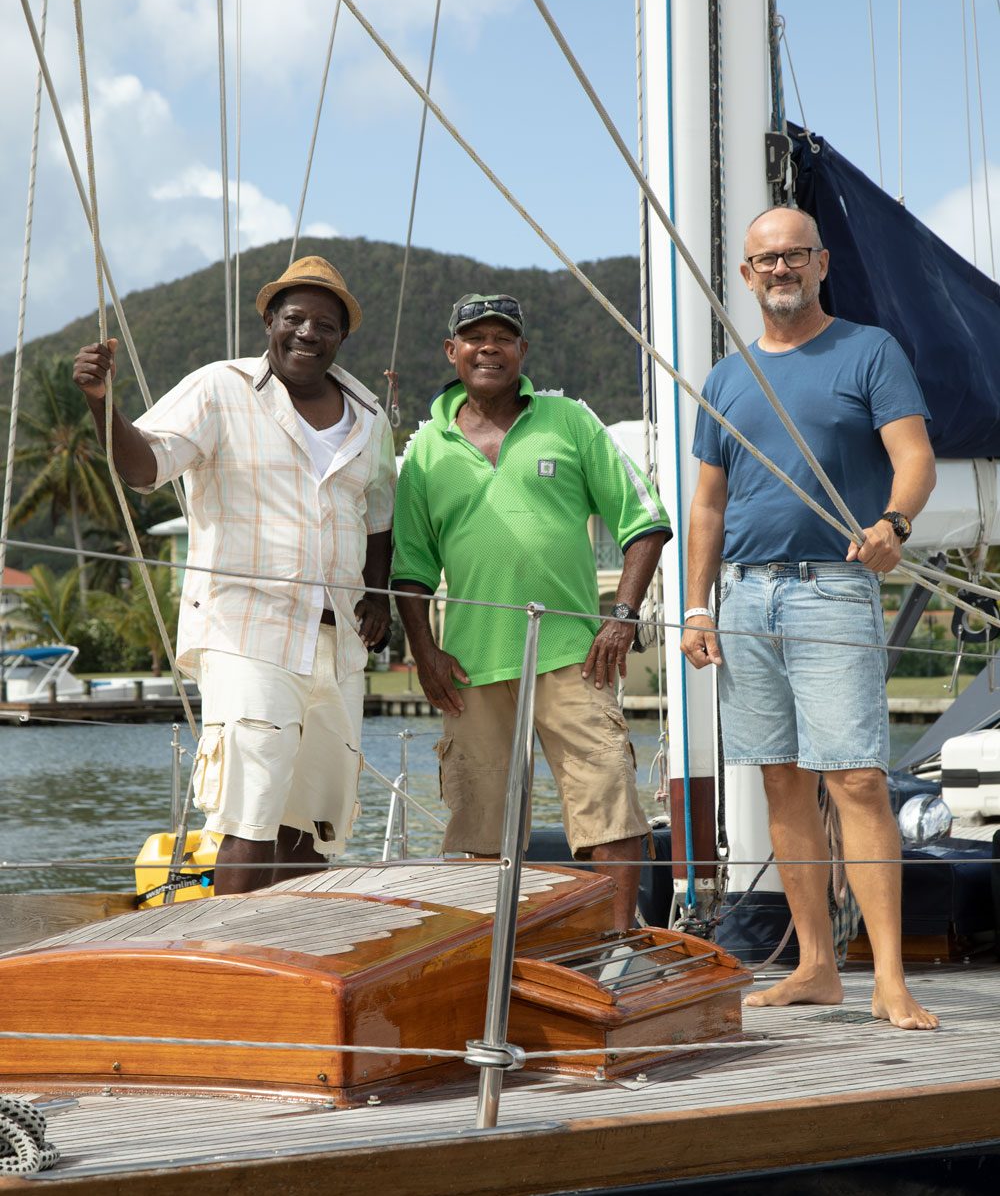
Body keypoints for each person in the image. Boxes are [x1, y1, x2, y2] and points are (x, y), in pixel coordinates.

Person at [680, 205, 938, 1030]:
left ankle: (888, 976)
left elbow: (914, 459)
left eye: (796, 255)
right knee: (781, 780)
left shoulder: (869, 351)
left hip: (833, 586)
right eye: (766, 259)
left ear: (821, 263)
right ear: (747, 276)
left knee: (856, 776)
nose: (781, 268)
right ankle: (816, 967)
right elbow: (708, 508)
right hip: (746, 596)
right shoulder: (726, 379)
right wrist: (695, 604)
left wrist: (894, 523)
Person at [73, 255, 396, 895]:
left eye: (324, 324)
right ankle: (233, 961)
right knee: (250, 812)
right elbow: (145, 466)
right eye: (294, 318)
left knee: (310, 823)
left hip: (338, 645)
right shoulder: (219, 388)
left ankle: (295, 956)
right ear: (269, 322)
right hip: (248, 631)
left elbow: (379, 515)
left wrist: (379, 598)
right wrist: (101, 405)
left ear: (341, 337)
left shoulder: (369, 415)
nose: (307, 332)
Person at [391, 292, 670, 931]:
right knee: (479, 820)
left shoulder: (569, 421)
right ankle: (487, 956)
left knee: (609, 804)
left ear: (523, 351)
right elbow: (408, 570)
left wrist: (622, 615)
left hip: (573, 653)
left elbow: (645, 522)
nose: (488, 347)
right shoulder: (426, 449)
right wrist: (424, 653)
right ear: (451, 351)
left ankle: (616, 943)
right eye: (474, 337)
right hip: (469, 664)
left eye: (503, 337)